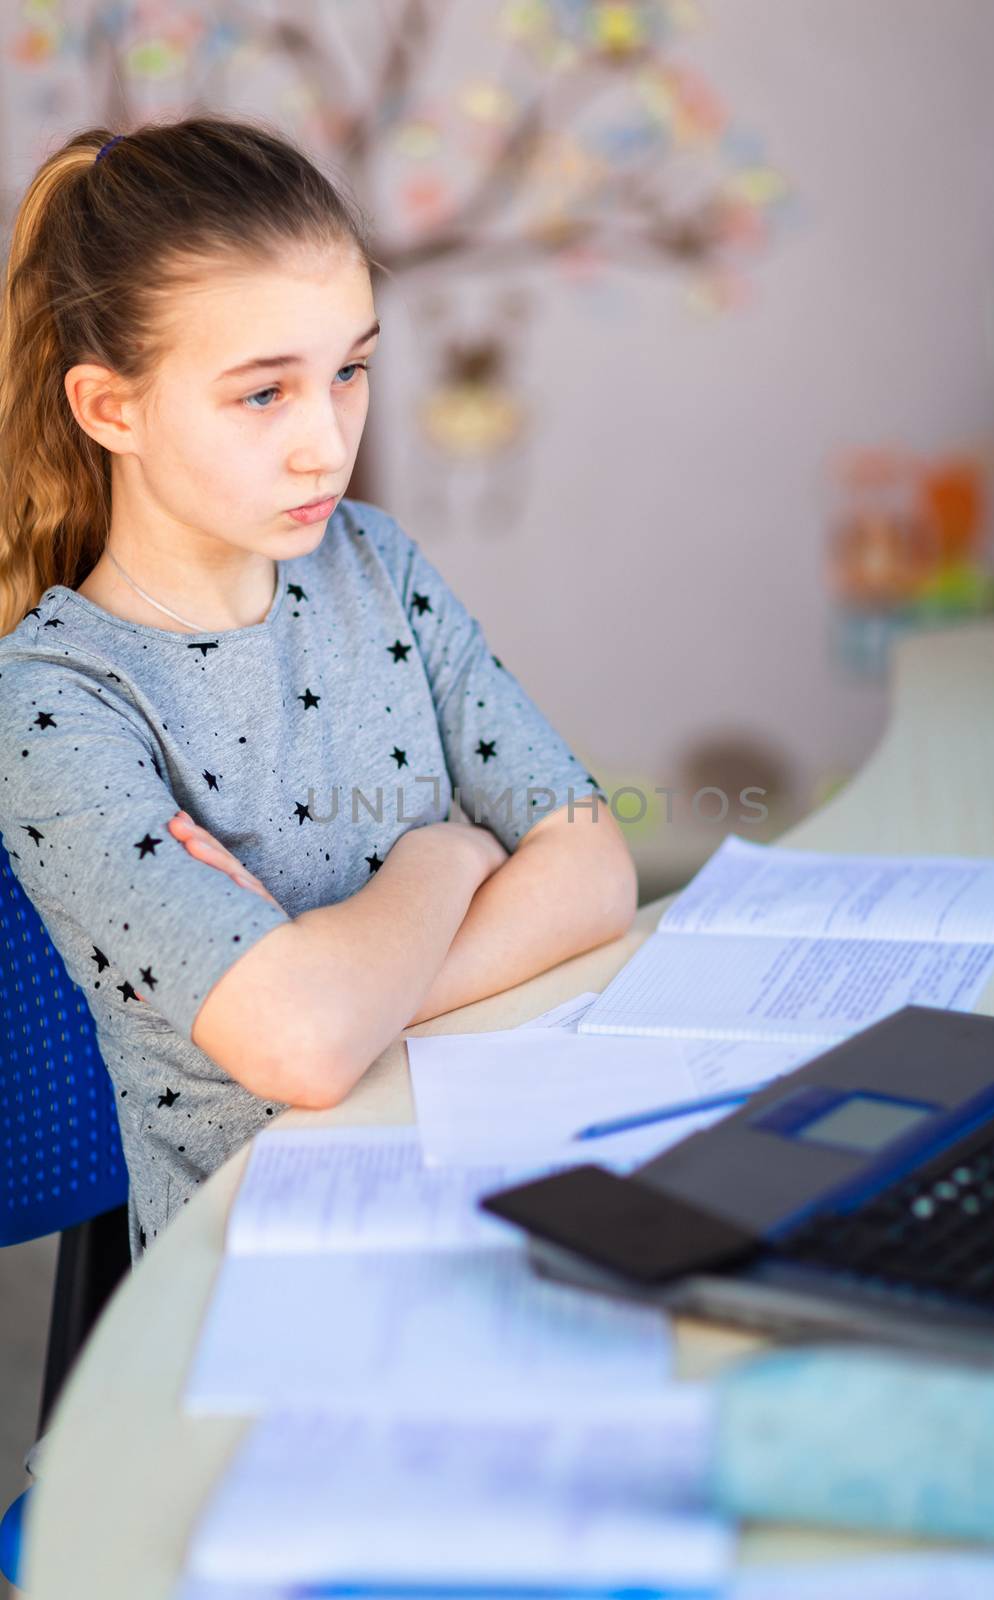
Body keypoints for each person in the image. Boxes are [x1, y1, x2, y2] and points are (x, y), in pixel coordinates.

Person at [0, 114, 637, 1266]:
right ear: (112, 409)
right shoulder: (54, 706)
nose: (325, 445)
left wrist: (351, 983)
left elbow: (591, 863)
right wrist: (445, 857)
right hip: (255, 1266)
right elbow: (298, 1045)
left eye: (347, 371)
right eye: (263, 394)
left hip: (476, 1171)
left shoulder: (374, 565)